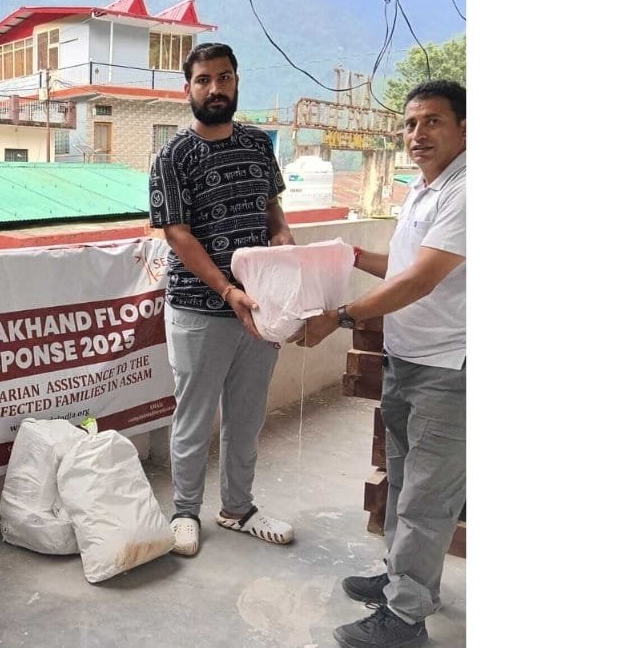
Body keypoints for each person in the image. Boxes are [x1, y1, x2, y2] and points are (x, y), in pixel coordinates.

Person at [291, 79, 466, 648]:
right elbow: (404, 265)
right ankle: (401, 580)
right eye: (411, 124)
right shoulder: (424, 189)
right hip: (406, 357)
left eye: (433, 121)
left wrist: (340, 316)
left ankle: (406, 619)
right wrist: (350, 254)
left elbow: (421, 280)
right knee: (402, 480)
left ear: (465, 128)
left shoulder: (470, 191)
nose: (418, 134)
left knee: (426, 497)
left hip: (450, 367)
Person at [149, 42, 296, 557]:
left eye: (224, 78)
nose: (215, 88)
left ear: (236, 81)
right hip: (199, 309)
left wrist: (280, 234)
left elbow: (271, 205)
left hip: (260, 308)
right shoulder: (172, 156)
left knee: (247, 417)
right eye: (204, 79)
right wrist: (228, 290)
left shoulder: (258, 144)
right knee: (194, 417)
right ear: (187, 88)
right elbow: (177, 234)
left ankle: (238, 509)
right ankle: (184, 512)